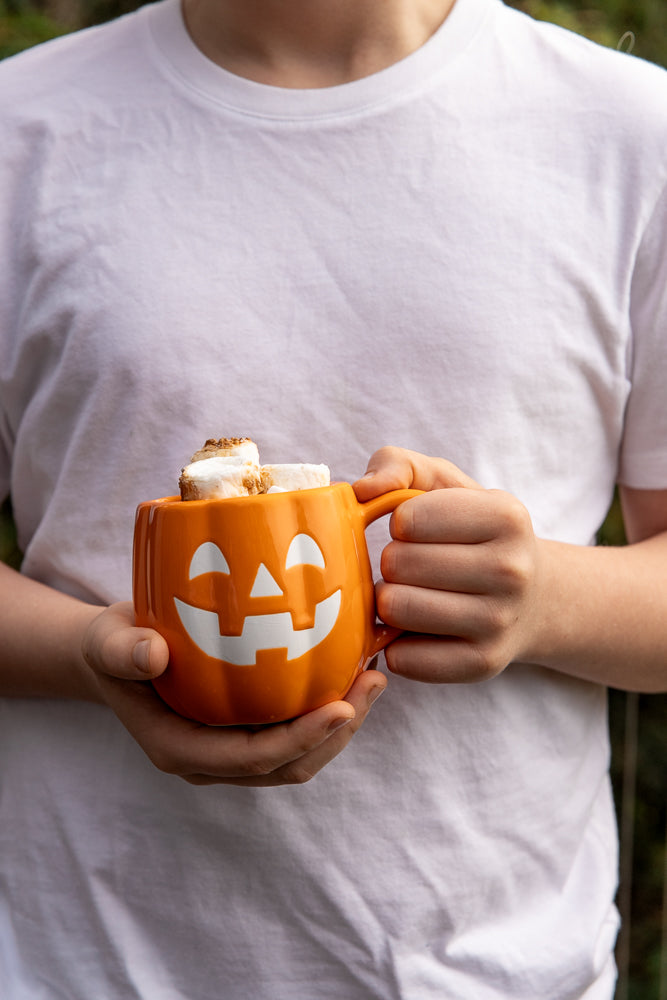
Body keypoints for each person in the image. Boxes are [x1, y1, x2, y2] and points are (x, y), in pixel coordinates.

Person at [1, 0, 666, 996]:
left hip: (496, 971)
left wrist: (547, 602)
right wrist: (86, 655)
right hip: (84, 966)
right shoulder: (20, 133)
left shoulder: (632, 135)